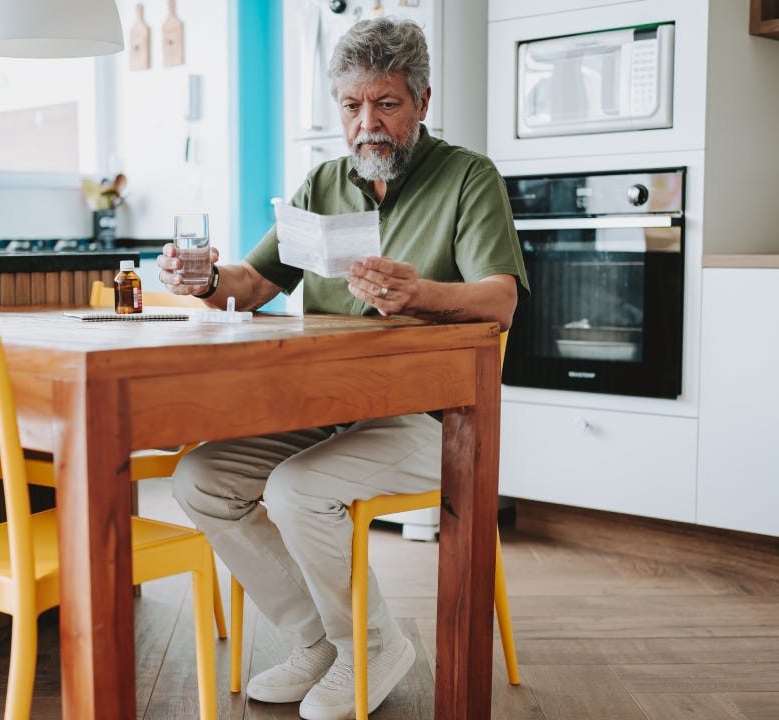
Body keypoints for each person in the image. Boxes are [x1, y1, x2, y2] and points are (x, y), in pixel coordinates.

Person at [156, 16, 529, 720]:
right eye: (352, 107)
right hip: (327, 411)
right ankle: (324, 644)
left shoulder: (467, 178)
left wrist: (419, 293)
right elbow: (255, 285)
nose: (368, 125)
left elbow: (500, 300)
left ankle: (374, 645)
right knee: (199, 477)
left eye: (386, 104)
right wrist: (204, 277)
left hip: (437, 422)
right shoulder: (323, 181)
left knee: (296, 490)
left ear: (421, 100)